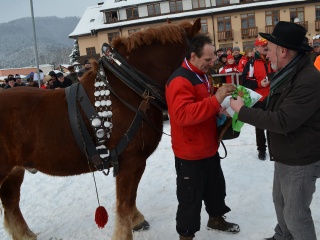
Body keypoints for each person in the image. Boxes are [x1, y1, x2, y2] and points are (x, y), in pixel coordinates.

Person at [230, 21, 320, 240]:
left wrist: (242, 112)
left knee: (296, 215)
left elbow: (283, 121)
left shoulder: (308, 80)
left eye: (269, 49)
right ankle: (283, 236)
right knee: (280, 202)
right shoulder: (287, 73)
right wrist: (248, 104)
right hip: (286, 152)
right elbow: (274, 109)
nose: (266, 54)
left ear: (283, 50)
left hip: (300, 158)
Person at [165, 33, 239, 240]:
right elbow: (182, 115)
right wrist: (215, 101)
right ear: (193, 56)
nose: (212, 63)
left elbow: (202, 105)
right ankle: (186, 236)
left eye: (213, 58)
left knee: (216, 189)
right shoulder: (180, 80)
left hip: (208, 147)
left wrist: (218, 109)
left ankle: (216, 218)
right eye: (208, 60)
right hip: (190, 153)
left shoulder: (202, 74)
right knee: (190, 199)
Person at [241, 36, 274, 160]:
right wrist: (260, 84)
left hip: (272, 97)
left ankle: (273, 148)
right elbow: (244, 81)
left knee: (273, 124)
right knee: (260, 126)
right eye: (262, 45)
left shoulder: (272, 59)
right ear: (256, 48)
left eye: (266, 45)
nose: (265, 47)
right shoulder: (252, 63)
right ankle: (261, 149)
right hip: (258, 98)